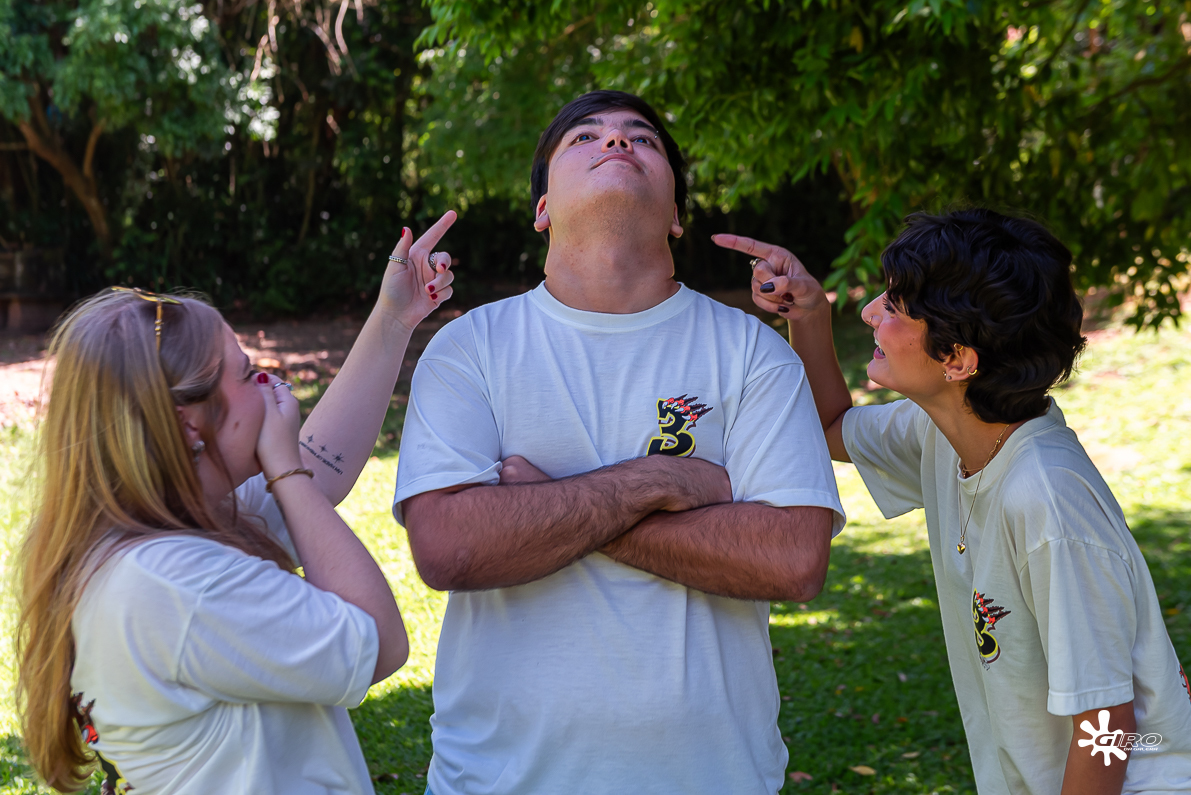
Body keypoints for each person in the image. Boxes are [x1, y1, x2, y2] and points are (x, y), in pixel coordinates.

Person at [393, 90, 845, 795]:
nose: (615, 142)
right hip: (500, 780)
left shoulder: (754, 353)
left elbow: (792, 559)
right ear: (543, 208)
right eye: (585, 137)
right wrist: (659, 481)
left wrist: (544, 505)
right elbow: (449, 546)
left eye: (643, 138)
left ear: (675, 215)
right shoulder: (469, 347)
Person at [720, 208, 1191, 795]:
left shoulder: (1048, 502)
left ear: (958, 360)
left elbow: (1107, 727)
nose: (869, 313)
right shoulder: (942, 433)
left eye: (894, 306)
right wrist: (810, 315)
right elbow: (831, 428)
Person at [15, 213, 458, 795]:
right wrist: (286, 472)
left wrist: (394, 317)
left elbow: (321, 468)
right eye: (248, 374)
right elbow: (378, 641)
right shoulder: (176, 582)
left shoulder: (160, 528)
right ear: (188, 424)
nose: (270, 383)